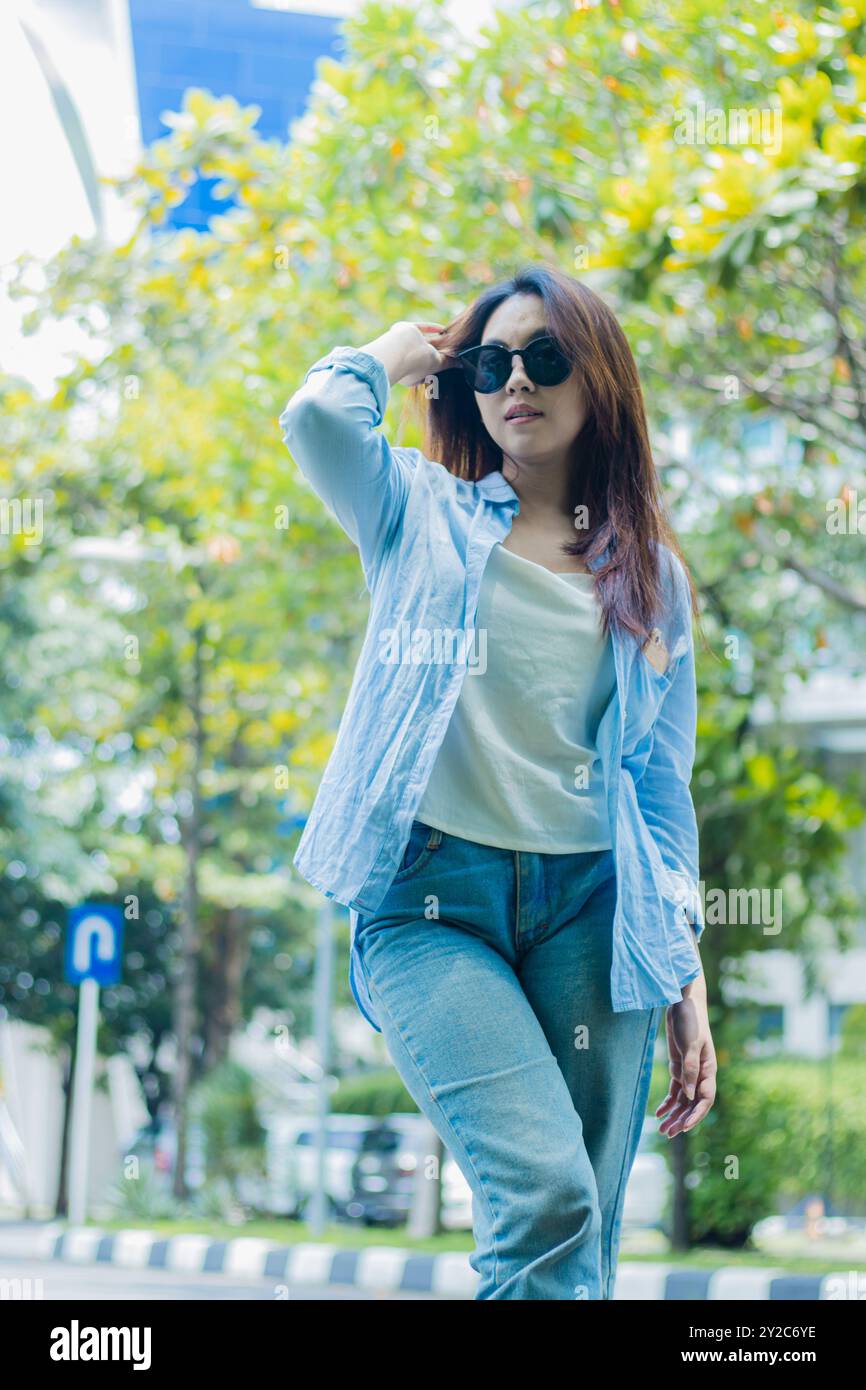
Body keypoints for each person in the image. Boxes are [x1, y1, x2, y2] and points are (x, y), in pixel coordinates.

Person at [278, 262, 717, 1300]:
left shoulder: (649, 574)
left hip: (594, 910)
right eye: (491, 362)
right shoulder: (413, 510)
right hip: (433, 906)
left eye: (544, 357)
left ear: (597, 377)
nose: (514, 380)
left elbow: (658, 787)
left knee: (584, 1238)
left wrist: (680, 968)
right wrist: (406, 349)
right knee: (544, 1194)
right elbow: (314, 417)